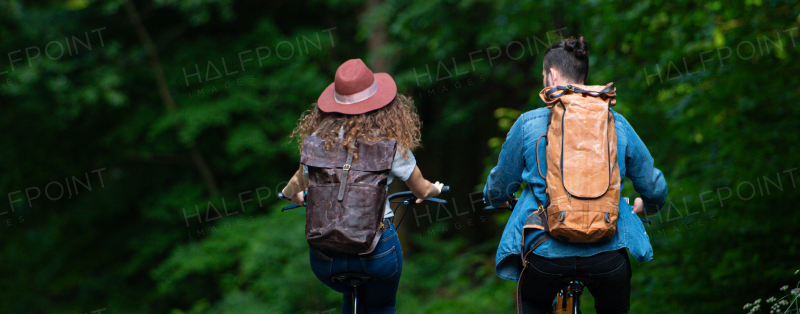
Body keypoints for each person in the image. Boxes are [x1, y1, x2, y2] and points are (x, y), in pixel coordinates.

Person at [483, 36, 667, 314]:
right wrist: (646, 205)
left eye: (544, 76)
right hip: (607, 252)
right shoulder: (616, 123)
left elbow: (499, 187)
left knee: (533, 300)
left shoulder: (529, 124)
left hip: (545, 254)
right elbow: (653, 186)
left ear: (552, 74)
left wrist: (498, 199)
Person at [280, 58, 444, 314]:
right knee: (382, 304)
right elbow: (421, 190)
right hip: (376, 250)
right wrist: (435, 189)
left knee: (349, 296)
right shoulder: (390, 143)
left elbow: (292, 188)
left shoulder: (319, 143)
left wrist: (297, 196)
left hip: (325, 255)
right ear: (381, 104)